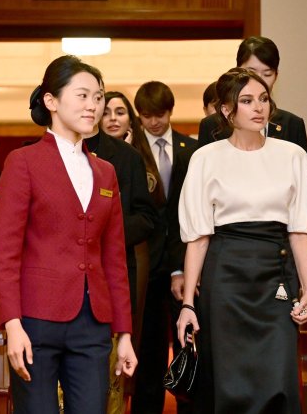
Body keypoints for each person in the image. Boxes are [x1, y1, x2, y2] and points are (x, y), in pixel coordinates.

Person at [0, 55, 138, 414]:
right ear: (51, 100)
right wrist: (12, 324)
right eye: (82, 95)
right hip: (36, 320)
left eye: (98, 97)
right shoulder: (23, 162)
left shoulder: (105, 172)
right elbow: (6, 252)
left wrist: (124, 333)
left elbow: (115, 258)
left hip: (93, 323)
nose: (93, 106)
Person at [177, 67, 307, 413]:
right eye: (247, 100)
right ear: (227, 109)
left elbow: (299, 230)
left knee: (278, 377)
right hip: (225, 278)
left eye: (264, 99)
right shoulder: (205, 157)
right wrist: (188, 304)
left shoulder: (292, 155)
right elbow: (198, 238)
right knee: (228, 380)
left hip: (276, 275)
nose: (259, 107)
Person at [197, 36, 307, 275]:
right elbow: (198, 200)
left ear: (276, 76)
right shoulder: (212, 125)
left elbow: (306, 196)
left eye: (267, 73)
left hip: (281, 249)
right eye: (251, 71)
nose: (259, 81)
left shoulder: (291, 124)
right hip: (225, 251)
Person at [85, 90, 157, 413]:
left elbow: (147, 218)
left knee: (112, 367)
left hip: (114, 271)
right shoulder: (54, 153)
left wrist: (104, 232)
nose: (110, 117)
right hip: (67, 279)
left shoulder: (127, 158)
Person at [131, 81, 197, 414]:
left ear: (170, 111)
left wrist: (182, 265)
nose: (154, 122)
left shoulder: (191, 149)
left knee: (189, 346)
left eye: (159, 115)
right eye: (146, 116)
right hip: (148, 262)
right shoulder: (132, 152)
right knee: (150, 350)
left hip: (186, 259)